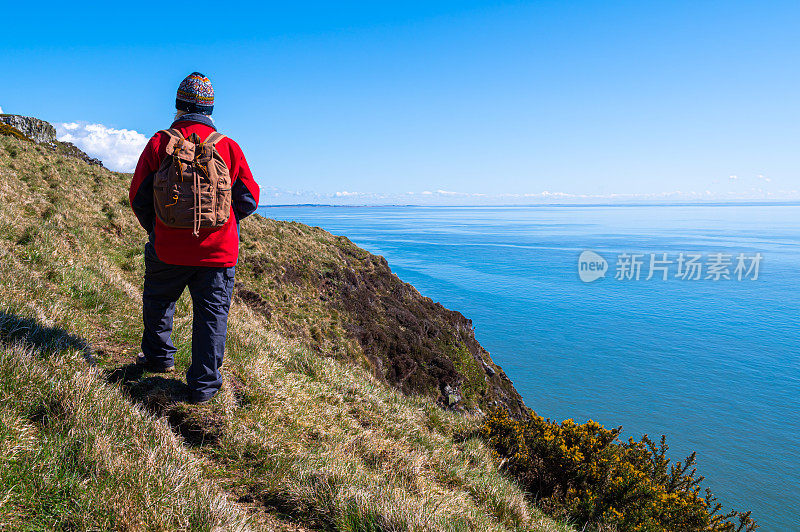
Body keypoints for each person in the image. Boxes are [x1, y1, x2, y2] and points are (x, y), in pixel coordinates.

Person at [129, 72, 260, 403]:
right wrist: (220, 223)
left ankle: (158, 359)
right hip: (217, 253)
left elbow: (138, 196)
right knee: (211, 317)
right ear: (210, 108)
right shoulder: (227, 146)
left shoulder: (160, 142)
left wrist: (160, 228)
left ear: (178, 106)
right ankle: (202, 387)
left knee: (159, 302)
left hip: (168, 248)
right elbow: (249, 198)